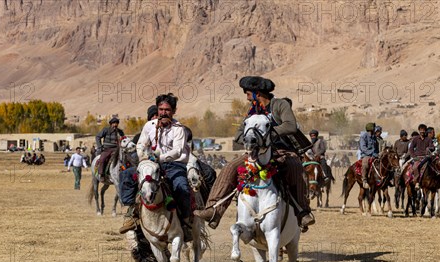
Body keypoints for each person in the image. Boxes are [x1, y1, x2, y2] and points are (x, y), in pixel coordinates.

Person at [194, 75, 315, 231]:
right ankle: (214, 210)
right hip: (256, 153)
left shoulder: (280, 105)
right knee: (230, 167)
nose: (247, 98)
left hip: (282, 151)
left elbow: (290, 126)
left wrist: (269, 134)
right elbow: (238, 134)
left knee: (296, 167)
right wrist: (250, 137)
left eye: (248, 94)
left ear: (258, 94)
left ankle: (302, 212)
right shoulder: (252, 112)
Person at [119, 94, 193, 241]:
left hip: (174, 164)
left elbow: (178, 151)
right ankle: (131, 213)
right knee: (126, 175)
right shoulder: (149, 126)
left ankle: (186, 222)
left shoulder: (179, 129)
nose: (163, 113)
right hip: (150, 164)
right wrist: (144, 157)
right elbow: (141, 144)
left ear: (174, 111)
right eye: (161, 109)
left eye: (167, 110)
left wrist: (160, 157)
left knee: (182, 188)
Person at [359, 122, 378, 189]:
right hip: (366, 155)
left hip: (374, 155)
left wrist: (377, 154)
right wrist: (371, 153)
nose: (375, 129)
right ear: (371, 129)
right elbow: (363, 148)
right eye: (374, 128)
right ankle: (364, 180)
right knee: (365, 164)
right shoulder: (363, 137)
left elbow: (376, 147)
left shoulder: (374, 137)